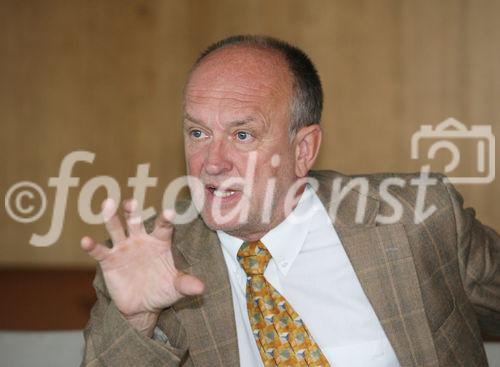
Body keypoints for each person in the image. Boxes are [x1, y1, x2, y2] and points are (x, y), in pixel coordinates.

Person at [81, 35, 500, 367]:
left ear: (303, 149)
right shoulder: (155, 262)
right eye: (197, 133)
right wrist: (137, 324)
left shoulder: (418, 220)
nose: (212, 163)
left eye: (242, 135)